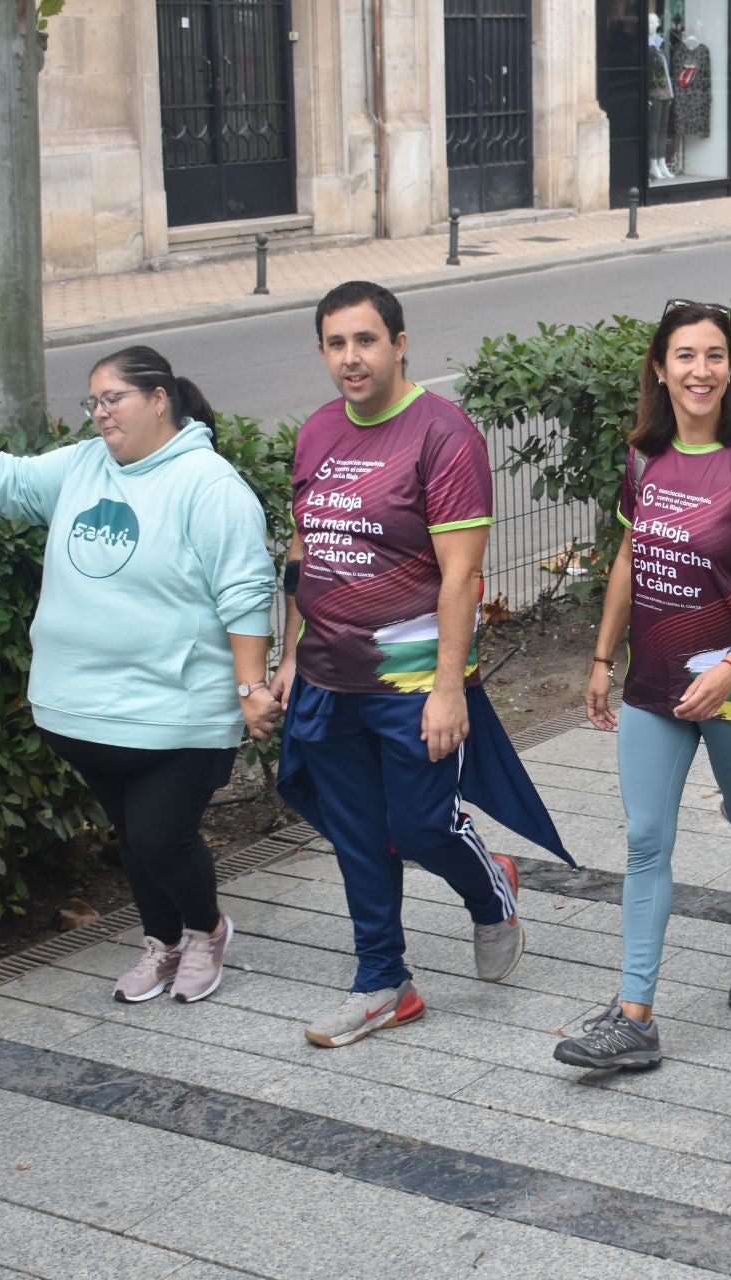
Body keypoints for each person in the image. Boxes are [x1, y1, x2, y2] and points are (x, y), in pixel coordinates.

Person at [0, 348, 276, 1006]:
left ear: (159, 399)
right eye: (93, 401)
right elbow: (2, 481)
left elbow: (245, 591)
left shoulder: (208, 484)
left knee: (158, 836)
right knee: (133, 843)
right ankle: (162, 943)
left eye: (113, 398)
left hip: (178, 713)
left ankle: (207, 932)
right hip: (81, 711)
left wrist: (251, 686)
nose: (100, 412)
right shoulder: (84, 465)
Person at [273, 280, 572, 1049]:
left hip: (411, 676)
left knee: (420, 826)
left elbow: (462, 576)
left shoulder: (443, 434)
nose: (352, 358)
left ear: (400, 343)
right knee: (356, 835)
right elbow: (307, 554)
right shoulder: (314, 432)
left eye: (366, 340)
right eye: (336, 344)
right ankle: (384, 982)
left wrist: (449, 688)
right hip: (327, 674)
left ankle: (492, 891)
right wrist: (288, 653)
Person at [553, 301, 731, 1071]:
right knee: (646, 840)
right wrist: (601, 657)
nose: (701, 370)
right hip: (653, 683)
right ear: (660, 368)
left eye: (715, 355)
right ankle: (634, 1018)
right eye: (686, 356)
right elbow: (629, 559)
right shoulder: (643, 458)